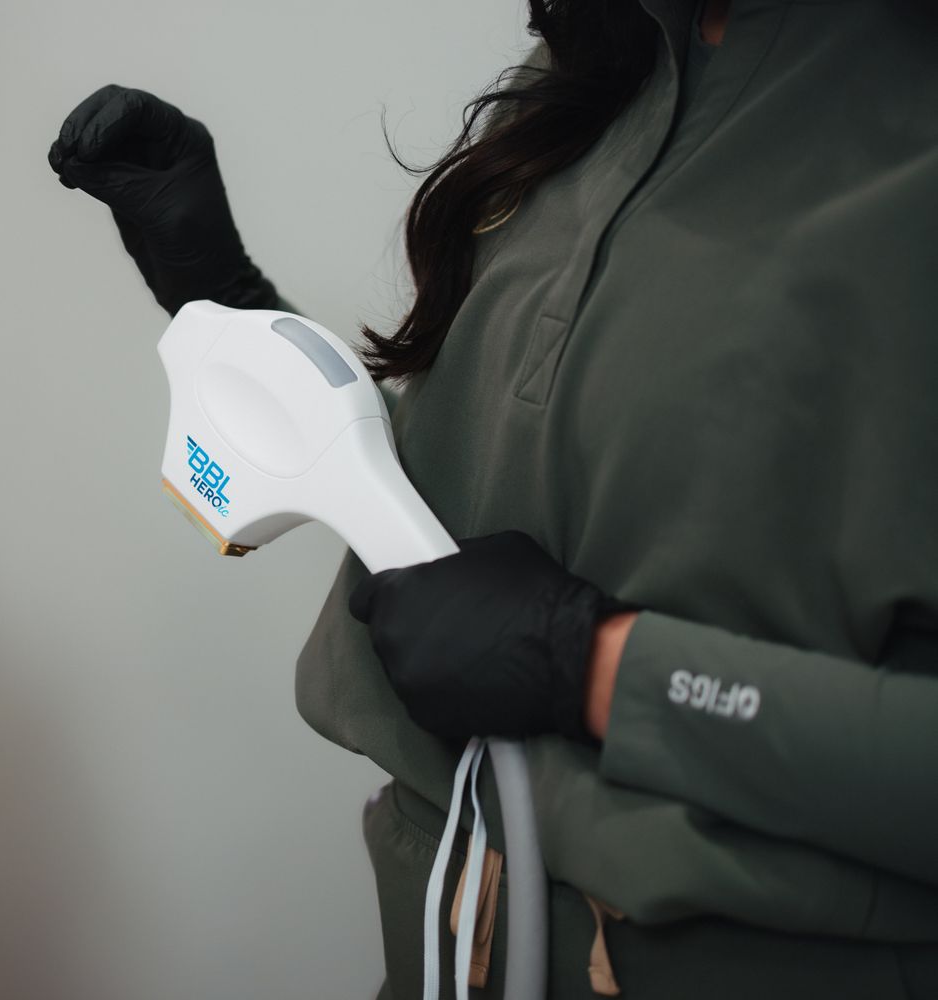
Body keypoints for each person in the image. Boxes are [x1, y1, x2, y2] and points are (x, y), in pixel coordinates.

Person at [48, 0, 938, 996]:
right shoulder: (590, 71)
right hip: (445, 935)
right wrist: (228, 302)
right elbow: (488, 503)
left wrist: (600, 666)